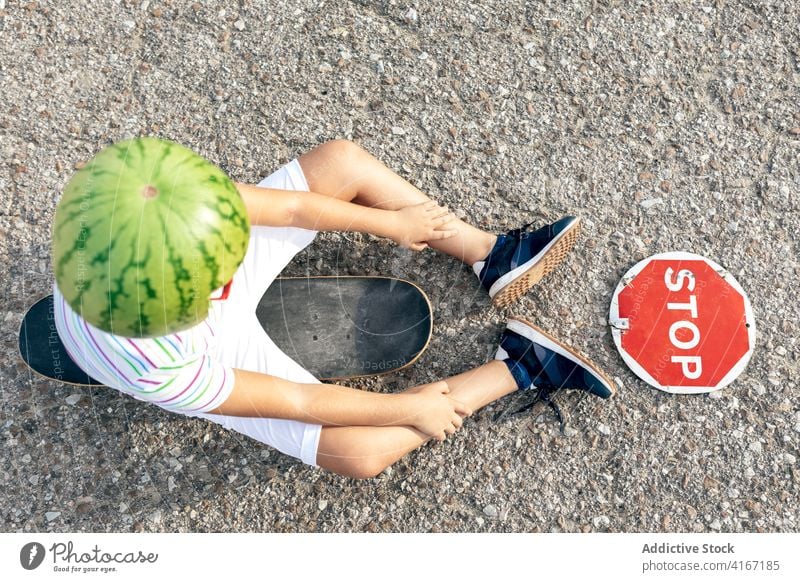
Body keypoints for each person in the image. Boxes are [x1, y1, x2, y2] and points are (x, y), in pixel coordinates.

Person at [53, 139, 615, 480]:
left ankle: (491, 256)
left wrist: (395, 224)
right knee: (357, 453)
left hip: (164, 304)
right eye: (219, 280)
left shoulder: (156, 194)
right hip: (195, 358)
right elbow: (298, 400)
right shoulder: (156, 363)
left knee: (342, 162)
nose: (231, 272)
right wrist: (406, 411)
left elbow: (293, 207)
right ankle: (519, 365)